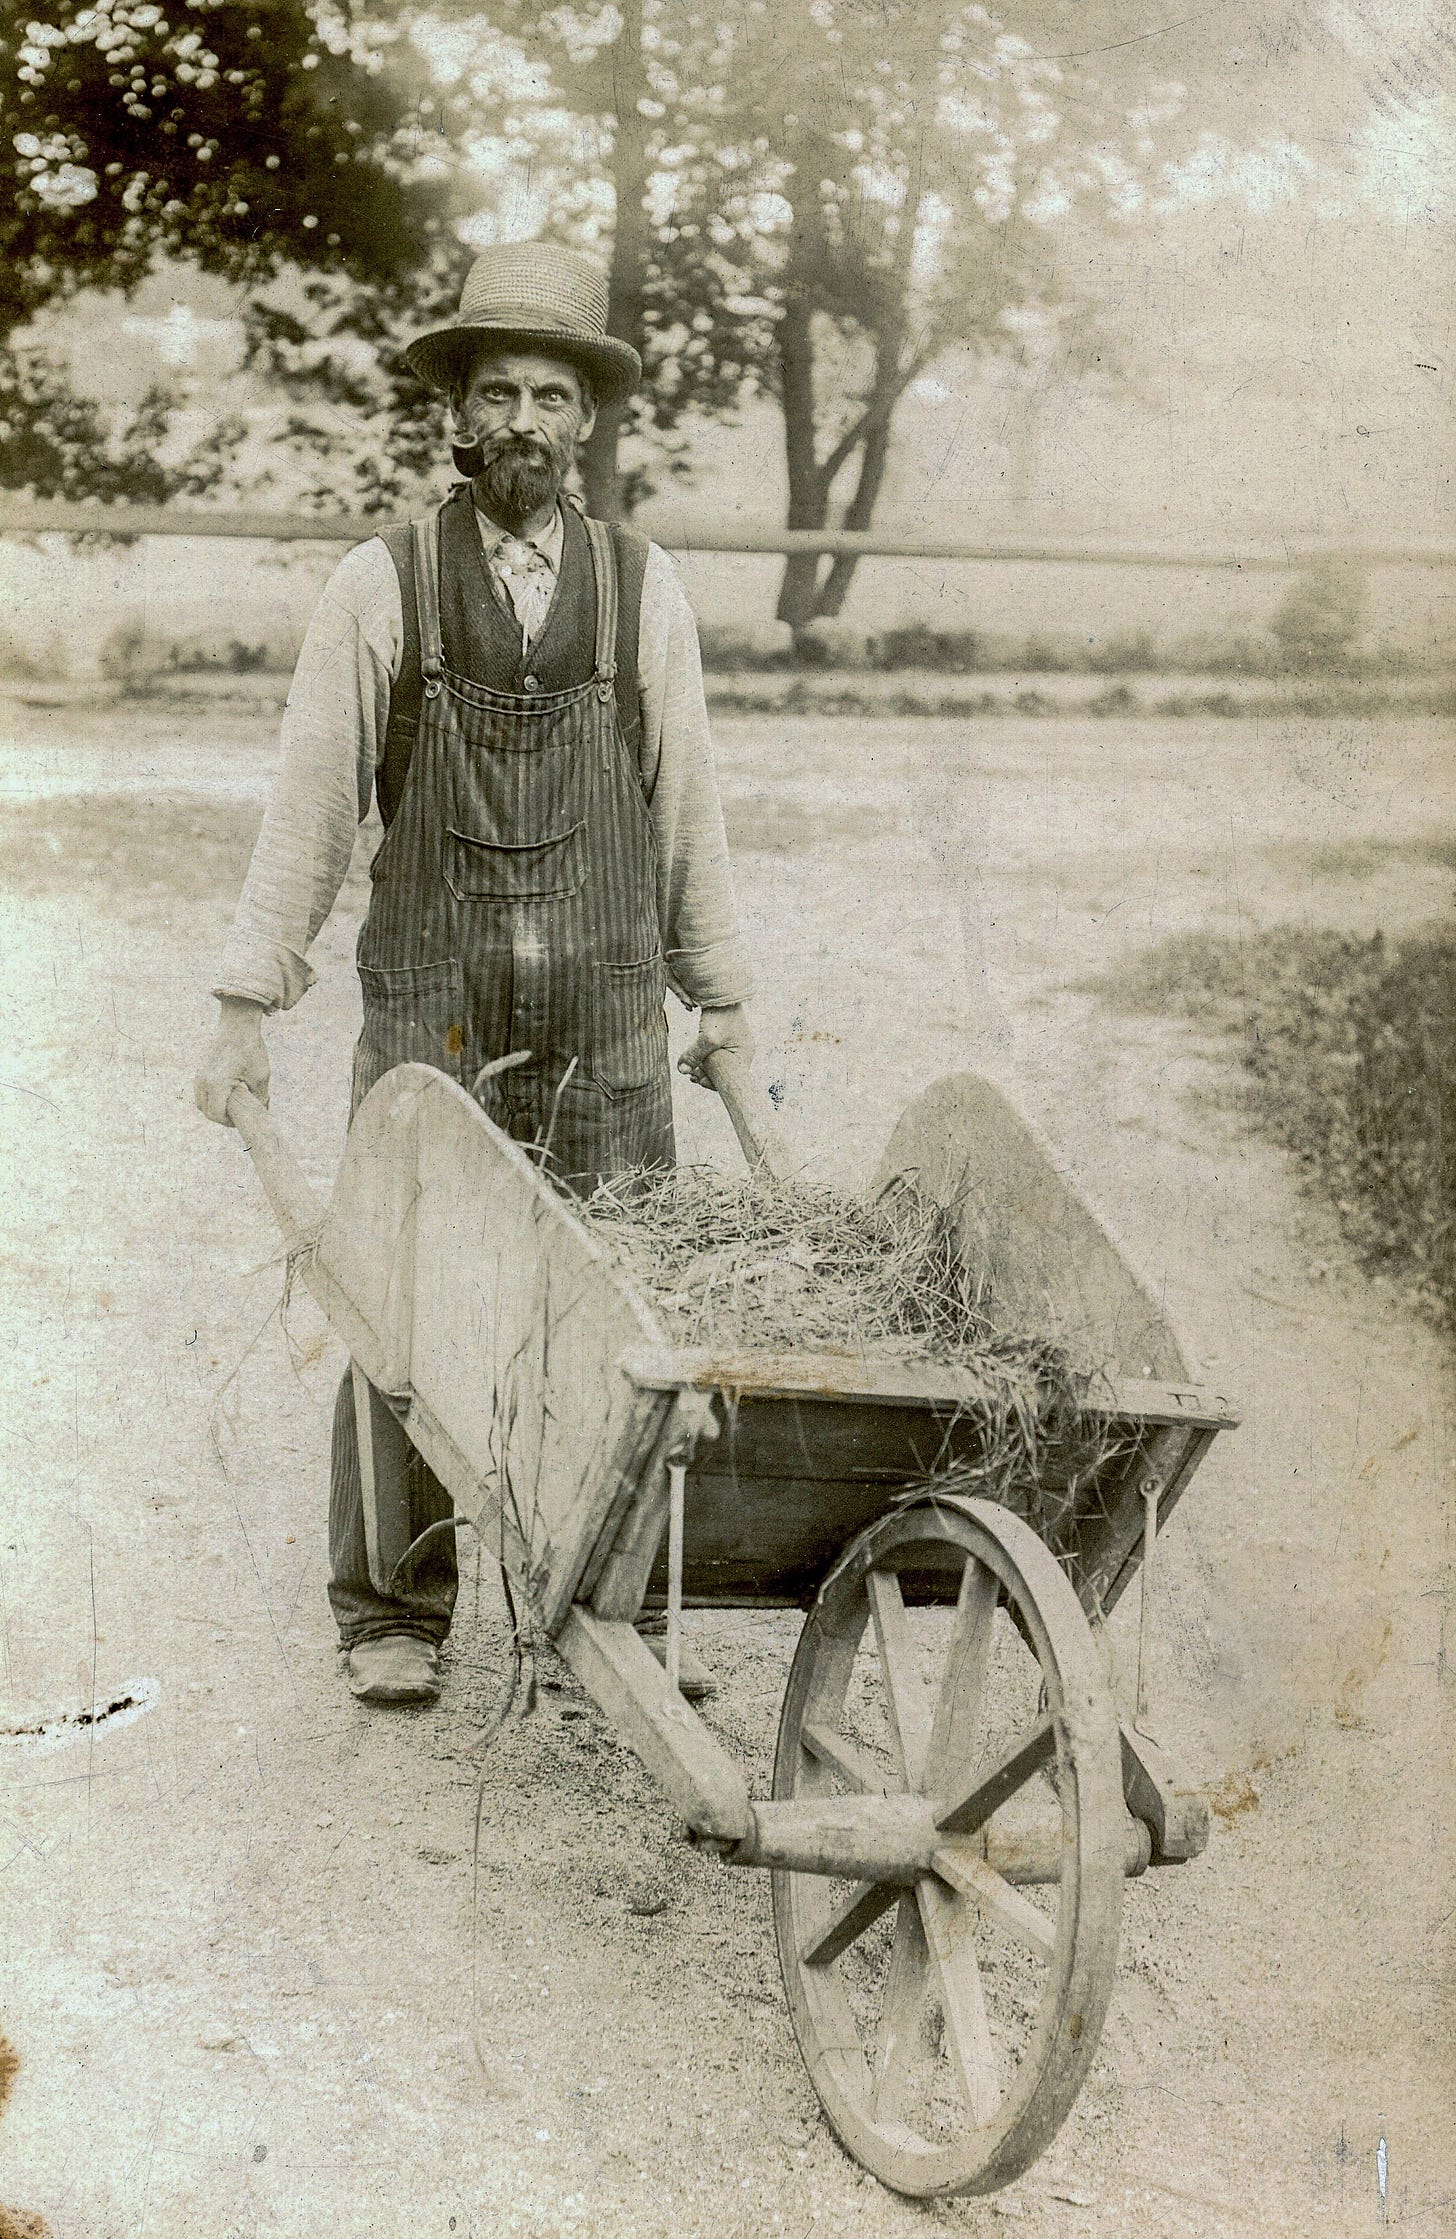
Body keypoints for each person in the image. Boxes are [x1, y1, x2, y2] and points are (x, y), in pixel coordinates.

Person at [196, 243, 754, 1707]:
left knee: (625, 1302)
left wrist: (725, 1000)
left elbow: (686, 799)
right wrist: (242, 1003)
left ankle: (609, 1608)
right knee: (405, 1298)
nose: (522, 418)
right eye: (494, 389)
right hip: (432, 1001)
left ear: (587, 424)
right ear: (455, 412)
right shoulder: (381, 586)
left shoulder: (644, 591)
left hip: (607, 1008)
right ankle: (395, 1607)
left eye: (551, 394)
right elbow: (312, 811)